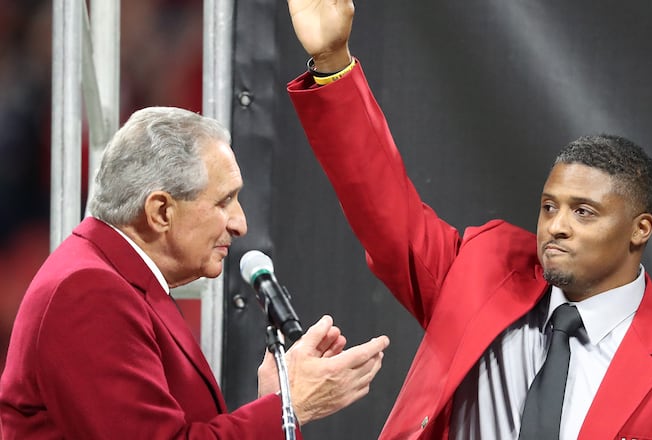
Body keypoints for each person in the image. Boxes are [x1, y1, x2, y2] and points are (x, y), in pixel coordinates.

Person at [283, 1, 652, 439]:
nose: (557, 225)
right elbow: (384, 209)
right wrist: (333, 64)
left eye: (584, 212)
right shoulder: (481, 274)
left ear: (641, 229)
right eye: (549, 207)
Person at [0, 107, 390, 439]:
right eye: (225, 201)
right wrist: (291, 405)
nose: (240, 224)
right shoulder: (88, 292)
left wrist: (272, 401)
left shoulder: (115, 279)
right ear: (161, 212)